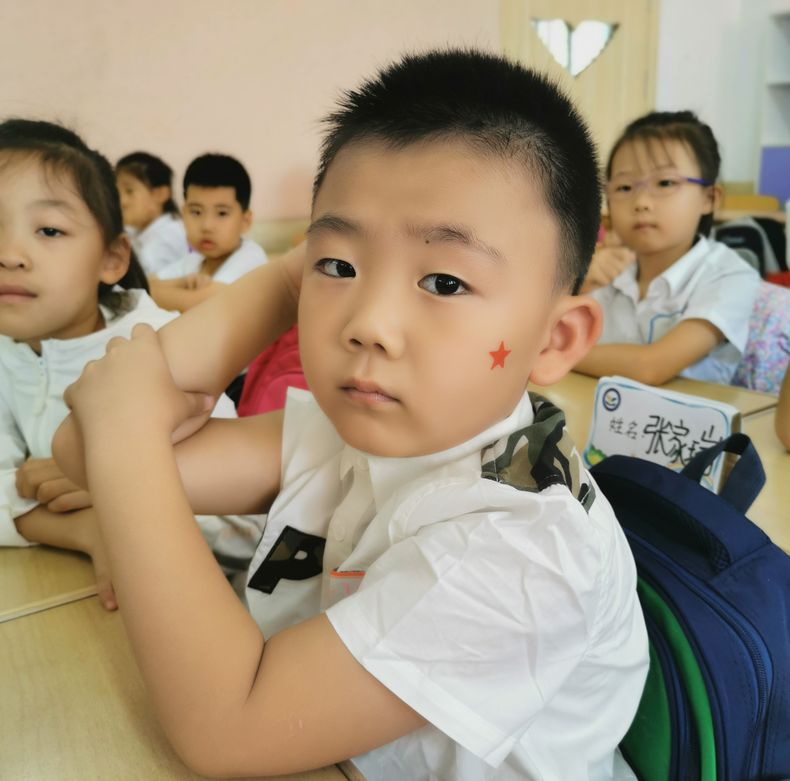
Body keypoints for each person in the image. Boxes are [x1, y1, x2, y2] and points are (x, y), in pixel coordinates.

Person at [55, 51, 648, 780]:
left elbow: (229, 730)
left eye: (443, 279)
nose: (369, 322)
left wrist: (122, 427)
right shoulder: (354, 431)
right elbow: (84, 451)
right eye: (338, 266)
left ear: (554, 339)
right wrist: (283, 276)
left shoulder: (523, 550)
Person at [0, 119, 260, 610]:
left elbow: (244, 529)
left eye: (49, 230)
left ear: (113, 259)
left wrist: (115, 493)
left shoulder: (160, 349)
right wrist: (83, 529)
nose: (9, 254)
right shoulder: (7, 349)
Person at [575, 111, 760, 386]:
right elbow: (538, 332)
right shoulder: (602, 269)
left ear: (709, 198)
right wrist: (580, 285)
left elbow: (651, 367)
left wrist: (557, 355)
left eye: (665, 183)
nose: (641, 202)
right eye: (625, 187)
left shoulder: (730, 275)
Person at [148, 154, 268, 313]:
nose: (206, 226)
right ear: (184, 214)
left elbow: (203, 305)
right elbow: (138, 284)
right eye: (196, 212)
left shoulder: (251, 257)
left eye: (222, 214)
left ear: (245, 221)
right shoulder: (192, 262)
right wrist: (180, 283)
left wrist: (144, 293)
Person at [116, 151, 190, 276]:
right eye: (117, 192)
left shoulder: (171, 235)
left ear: (160, 195)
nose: (122, 201)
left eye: (130, 191)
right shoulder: (134, 233)